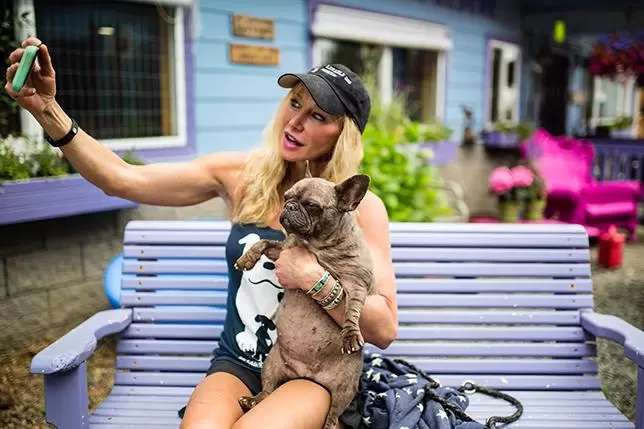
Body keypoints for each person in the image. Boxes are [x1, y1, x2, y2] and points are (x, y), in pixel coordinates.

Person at [5, 38, 399, 429]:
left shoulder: (362, 209)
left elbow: (383, 328)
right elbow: (121, 179)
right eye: (294, 103)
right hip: (239, 362)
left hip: (315, 373)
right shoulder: (243, 177)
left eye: (317, 116)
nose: (295, 122)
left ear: (342, 133)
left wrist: (313, 278)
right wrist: (48, 111)